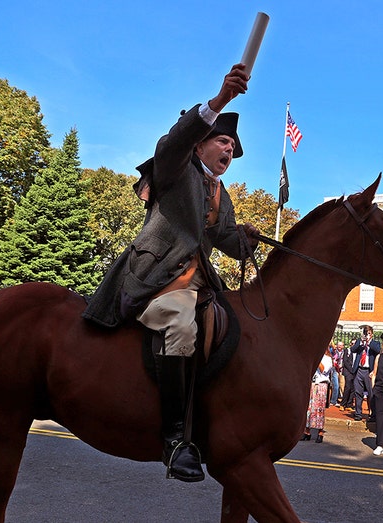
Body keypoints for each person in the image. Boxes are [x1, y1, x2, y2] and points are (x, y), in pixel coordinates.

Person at [81, 64, 259, 483]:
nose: (229, 150)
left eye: (233, 146)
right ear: (199, 145)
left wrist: (246, 238)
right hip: (157, 277)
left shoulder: (219, 191)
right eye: (223, 140)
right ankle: (175, 438)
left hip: (200, 281)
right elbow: (171, 142)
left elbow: (227, 240)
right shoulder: (176, 165)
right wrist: (218, 103)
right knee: (180, 326)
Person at [350, 325, 381, 421]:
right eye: (365, 333)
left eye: (369, 333)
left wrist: (369, 342)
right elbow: (352, 350)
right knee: (358, 393)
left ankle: (373, 414)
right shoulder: (360, 342)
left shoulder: (375, 343)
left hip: (369, 370)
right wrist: (361, 342)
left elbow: (378, 350)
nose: (367, 335)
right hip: (359, 369)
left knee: (371, 394)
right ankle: (358, 414)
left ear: (372, 334)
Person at [302, 350, 333, 444]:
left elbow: (323, 370)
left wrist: (318, 359)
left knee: (319, 410)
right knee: (309, 409)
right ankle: (307, 431)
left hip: (321, 386)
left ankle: (320, 433)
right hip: (312, 384)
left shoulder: (328, 359)